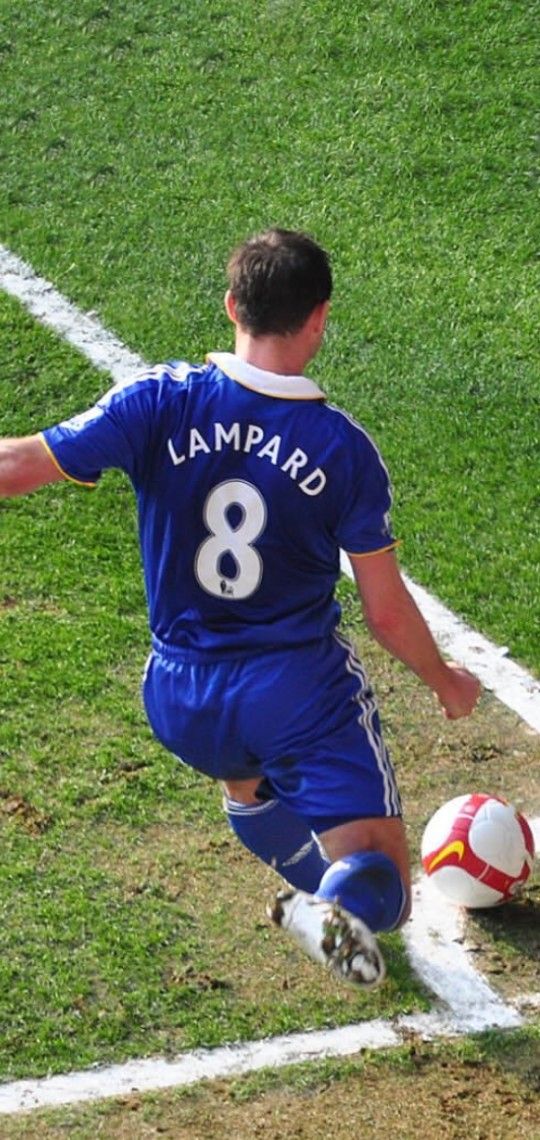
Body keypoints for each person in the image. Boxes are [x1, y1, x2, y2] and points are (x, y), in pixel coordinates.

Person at [0, 228, 480, 988]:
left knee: (250, 777)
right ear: (319, 319)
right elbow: (386, 614)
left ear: (232, 306)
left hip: (180, 697)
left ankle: (313, 885)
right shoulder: (340, 448)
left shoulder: (158, 399)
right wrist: (446, 682)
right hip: (293, 693)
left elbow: (16, 465)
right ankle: (334, 901)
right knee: (385, 880)